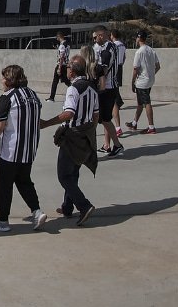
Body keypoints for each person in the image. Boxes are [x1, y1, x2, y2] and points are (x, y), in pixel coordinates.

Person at [0, 64, 46, 232]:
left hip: (11, 151)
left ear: (9, 80)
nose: (1, 80)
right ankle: (37, 211)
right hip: (29, 149)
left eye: (3, 77)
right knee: (24, 180)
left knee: (4, 185)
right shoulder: (33, 95)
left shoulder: (7, 97)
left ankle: (2, 220)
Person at [39, 55, 98, 226]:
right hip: (86, 135)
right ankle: (67, 207)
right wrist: (88, 132)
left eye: (67, 67)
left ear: (71, 71)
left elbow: (69, 113)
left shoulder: (74, 89)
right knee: (73, 172)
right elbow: (96, 116)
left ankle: (84, 205)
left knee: (64, 176)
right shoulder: (92, 88)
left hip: (72, 136)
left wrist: (46, 123)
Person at [91, 26, 123, 156]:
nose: (94, 40)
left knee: (103, 118)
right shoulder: (105, 47)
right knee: (105, 118)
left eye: (95, 37)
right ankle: (107, 145)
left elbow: (103, 70)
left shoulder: (108, 49)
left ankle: (117, 144)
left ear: (101, 35)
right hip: (107, 87)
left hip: (107, 88)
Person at [125, 31, 160, 134]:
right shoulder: (151, 50)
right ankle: (134, 123)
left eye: (136, 38)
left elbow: (135, 69)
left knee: (147, 103)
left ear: (139, 38)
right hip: (149, 81)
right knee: (140, 103)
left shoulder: (139, 52)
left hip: (142, 82)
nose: (135, 40)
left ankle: (151, 127)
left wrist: (132, 82)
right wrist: (151, 74)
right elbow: (158, 66)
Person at [50, 32, 70, 101]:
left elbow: (61, 57)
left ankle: (51, 97)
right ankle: (75, 89)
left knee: (55, 81)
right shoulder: (67, 45)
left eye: (57, 37)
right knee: (66, 81)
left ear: (59, 37)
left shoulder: (62, 46)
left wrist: (59, 67)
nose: (57, 39)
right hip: (65, 65)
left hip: (61, 65)